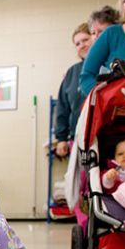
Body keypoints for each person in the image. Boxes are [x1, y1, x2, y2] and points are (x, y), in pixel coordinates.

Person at [54, 23, 91, 158]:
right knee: (83, 177)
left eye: (86, 40)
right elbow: (62, 107)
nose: (82, 45)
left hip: (108, 135)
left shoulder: (109, 65)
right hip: (80, 138)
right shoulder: (72, 73)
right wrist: (61, 138)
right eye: (77, 43)